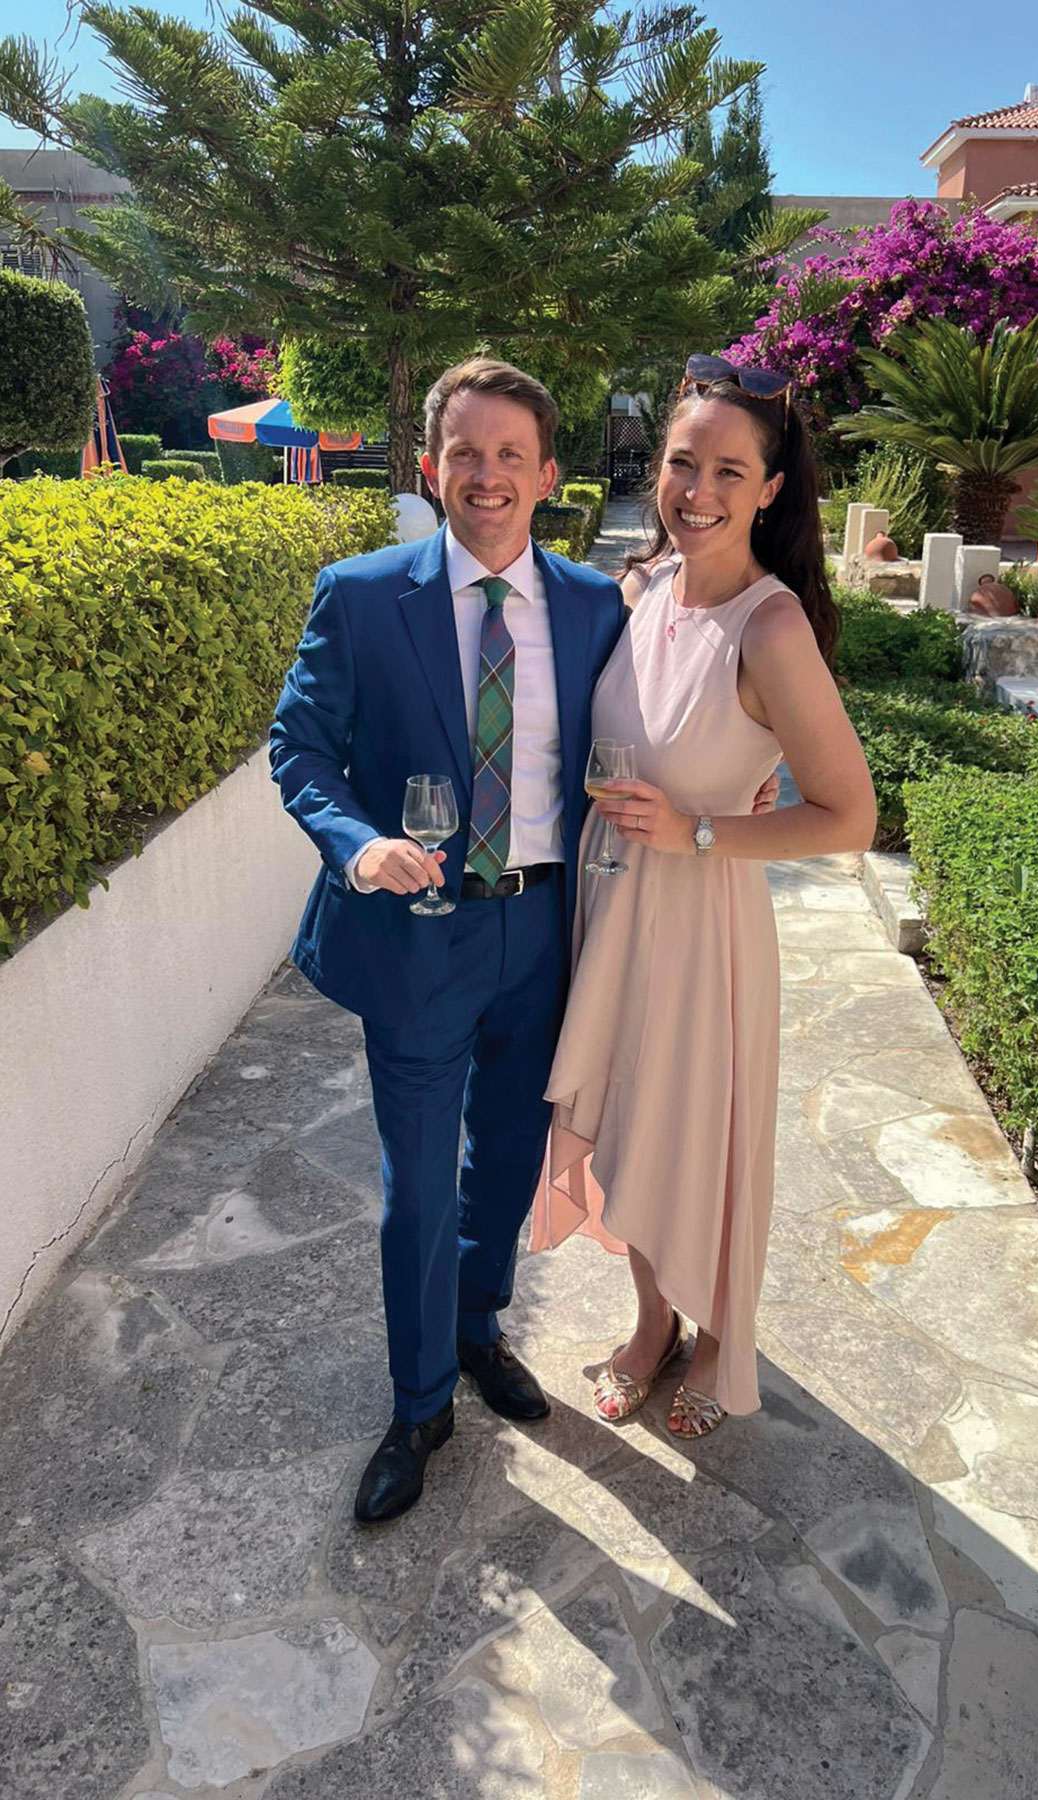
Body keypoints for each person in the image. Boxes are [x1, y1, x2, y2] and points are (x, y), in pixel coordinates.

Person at [271, 355, 782, 1522]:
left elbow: (679, 710)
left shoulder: (598, 604)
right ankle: (416, 1404)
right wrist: (354, 842)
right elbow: (298, 748)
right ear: (429, 466)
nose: (487, 476)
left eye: (512, 455)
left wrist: (751, 791)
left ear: (550, 475)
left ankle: (479, 1323)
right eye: (466, 452)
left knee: (504, 1160)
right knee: (415, 1188)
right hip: (415, 935)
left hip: (547, 932)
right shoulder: (358, 595)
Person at [530, 353, 877, 1438]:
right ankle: (651, 1325)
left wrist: (702, 827)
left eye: (731, 470)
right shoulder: (639, 590)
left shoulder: (771, 631)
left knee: (702, 1139)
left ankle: (721, 1339)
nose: (700, 490)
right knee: (626, 1125)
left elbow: (849, 815)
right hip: (609, 912)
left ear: (771, 489)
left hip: (701, 926)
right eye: (684, 462)